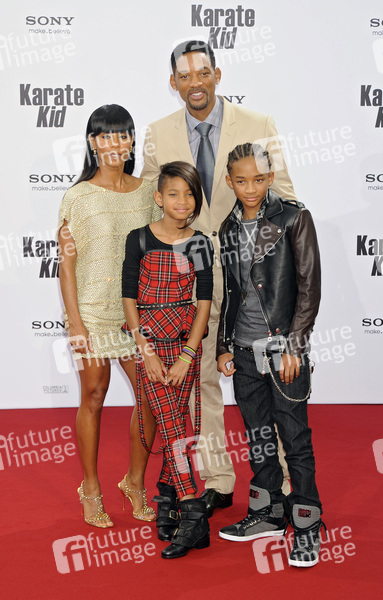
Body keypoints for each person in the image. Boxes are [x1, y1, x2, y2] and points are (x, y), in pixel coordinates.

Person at [141, 39, 294, 516]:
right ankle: (217, 479)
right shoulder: (157, 132)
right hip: (188, 280)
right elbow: (148, 205)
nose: (195, 83)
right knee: (202, 381)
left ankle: (284, 481)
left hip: (252, 279)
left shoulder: (258, 123)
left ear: (218, 75)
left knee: (268, 381)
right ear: (173, 82)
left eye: (203, 73)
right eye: (185, 76)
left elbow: (285, 199)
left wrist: (267, 265)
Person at [216, 142, 324, 567]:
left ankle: (308, 524)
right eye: (242, 181)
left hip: (282, 351)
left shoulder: (294, 217)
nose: (250, 188)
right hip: (244, 350)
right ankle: (268, 513)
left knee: (294, 438)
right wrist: (224, 345)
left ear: (270, 177)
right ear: (230, 181)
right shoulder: (227, 228)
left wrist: (296, 344)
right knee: (258, 437)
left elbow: (310, 286)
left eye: (259, 180)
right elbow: (231, 292)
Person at [58, 104, 161, 528]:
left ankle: (134, 482)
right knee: (94, 396)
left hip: (135, 315)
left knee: (151, 397)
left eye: (122, 135)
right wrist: (76, 323)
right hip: (93, 313)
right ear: (92, 142)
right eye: (104, 135)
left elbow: (159, 250)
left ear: (132, 141)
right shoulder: (77, 196)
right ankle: (90, 487)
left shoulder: (148, 192)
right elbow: (67, 265)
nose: (114, 143)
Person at [122, 161, 213, 559]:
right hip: (150, 346)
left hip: (184, 345)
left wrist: (188, 355)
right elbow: (128, 297)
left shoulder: (200, 243)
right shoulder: (138, 239)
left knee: (176, 421)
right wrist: (145, 350)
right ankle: (192, 508)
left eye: (190, 194)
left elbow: (204, 302)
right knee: (174, 425)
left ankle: (167, 497)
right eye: (173, 193)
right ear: (159, 198)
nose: (182, 201)